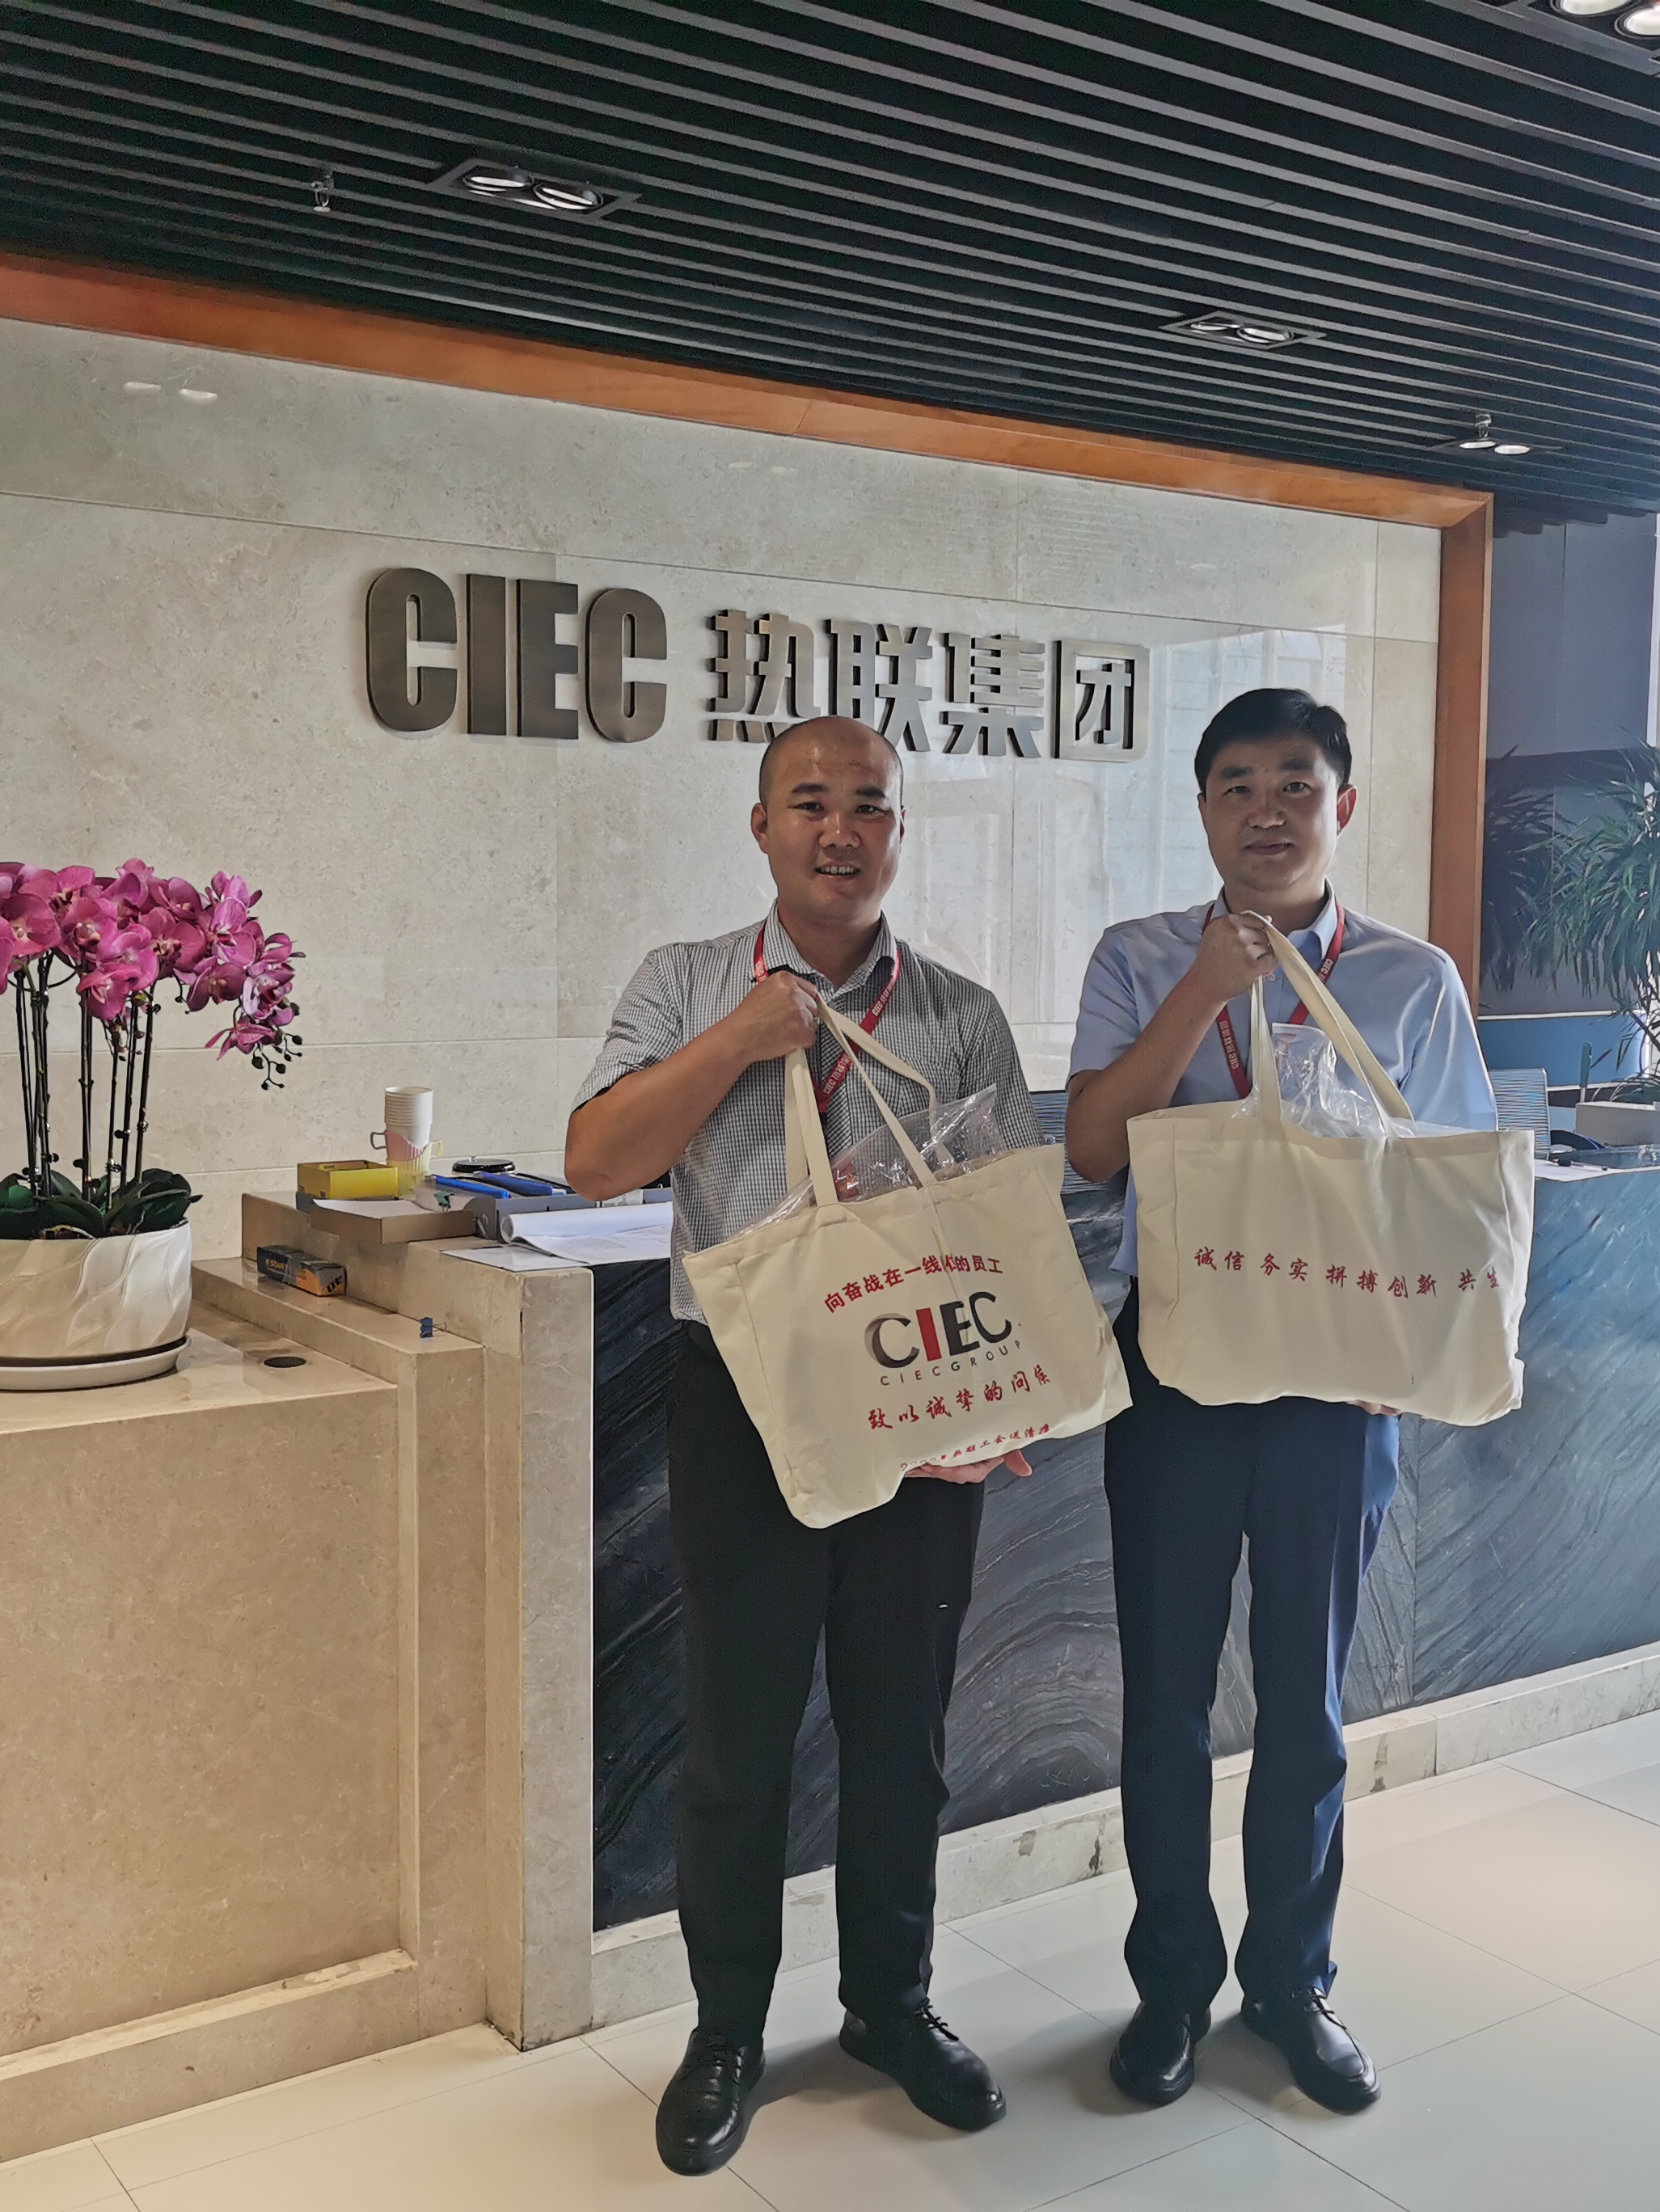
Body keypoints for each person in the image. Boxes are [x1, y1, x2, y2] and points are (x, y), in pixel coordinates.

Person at [567, 716, 1043, 2176]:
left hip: (917, 1404)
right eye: (811, 803)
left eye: (870, 807)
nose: (841, 831)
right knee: (738, 1736)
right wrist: (741, 1038)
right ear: (762, 825)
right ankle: (726, 2031)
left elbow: (1006, 1230)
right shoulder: (686, 981)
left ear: (899, 830)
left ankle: (892, 2005)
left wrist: (996, 1406)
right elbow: (596, 1161)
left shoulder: (959, 1013)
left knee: (903, 1730)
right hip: (744, 1397)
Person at [1062, 687, 1495, 2114]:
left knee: (1307, 1703)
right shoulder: (1138, 956)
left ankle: (1293, 1983)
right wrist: (1202, 989)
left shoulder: (1412, 979)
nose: (1267, 810)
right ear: (1202, 810)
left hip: (1338, 1378)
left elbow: (1447, 1184)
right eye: (1237, 785)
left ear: (1341, 807)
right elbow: (1091, 1148)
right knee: (1165, 1702)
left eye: (1296, 784)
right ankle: (1171, 1987)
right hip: (1177, 1367)